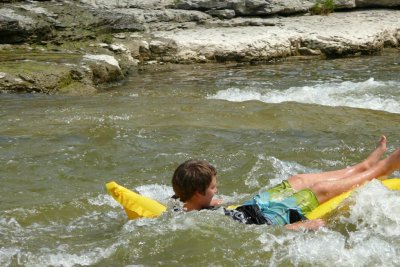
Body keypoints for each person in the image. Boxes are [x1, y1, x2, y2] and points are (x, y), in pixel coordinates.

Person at [171, 136, 400, 230]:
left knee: (297, 180)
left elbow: (222, 209)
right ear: (198, 192)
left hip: (254, 205)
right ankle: (384, 168)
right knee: (318, 190)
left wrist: (214, 202)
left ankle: (361, 168)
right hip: (271, 219)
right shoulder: (196, 221)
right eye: (212, 187)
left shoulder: (188, 203)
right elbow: (251, 236)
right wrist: (297, 227)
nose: (216, 189)